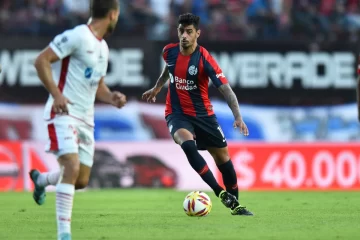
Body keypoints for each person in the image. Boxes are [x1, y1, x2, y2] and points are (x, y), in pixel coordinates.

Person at [29, 1, 126, 239]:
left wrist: (111, 97)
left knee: (80, 180)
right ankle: (64, 235)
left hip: (86, 119)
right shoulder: (77, 36)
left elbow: (98, 86)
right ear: (113, 14)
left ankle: (41, 180)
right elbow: (41, 60)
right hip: (63, 113)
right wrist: (57, 94)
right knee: (70, 168)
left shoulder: (102, 48)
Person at [142, 13, 253, 216]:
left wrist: (238, 116)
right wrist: (158, 87)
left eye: (189, 32)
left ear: (197, 34)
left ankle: (236, 205)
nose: (184, 35)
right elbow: (169, 69)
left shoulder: (205, 59)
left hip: (204, 116)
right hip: (176, 114)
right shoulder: (169, 51)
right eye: (181, 31)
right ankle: (219, 193)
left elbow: (226, 90)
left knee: (224, 162)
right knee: (187, 145)